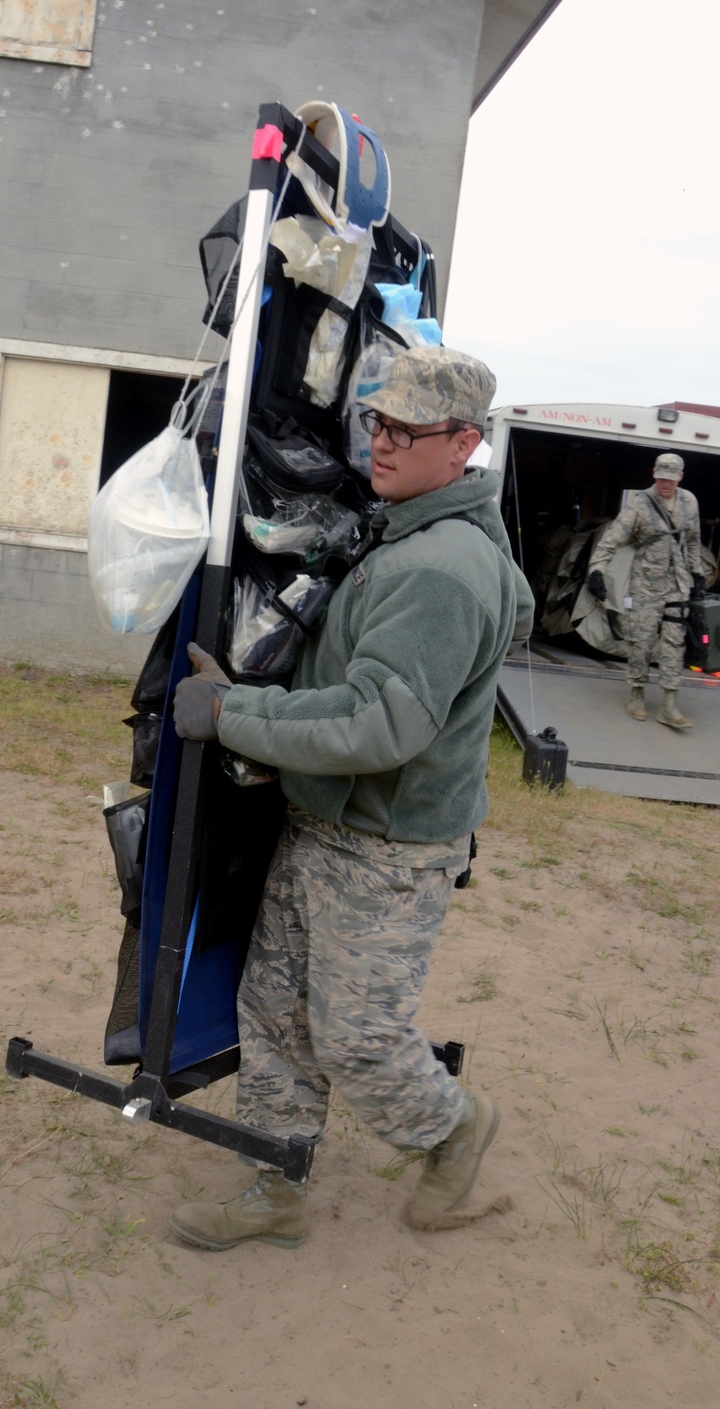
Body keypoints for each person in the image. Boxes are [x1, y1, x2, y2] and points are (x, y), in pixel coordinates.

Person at [170, 343, 533, 1250]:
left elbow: (379, 725)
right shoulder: (407, 528)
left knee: (357, 1035)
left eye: (412, 430)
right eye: (379, 421)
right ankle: (274, 1182)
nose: (385, 442)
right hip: (326, 820)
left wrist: (236, 714)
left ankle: (454, 1132)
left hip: (388, 844)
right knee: (277, 1009)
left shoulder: (441, 567)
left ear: (465, 445)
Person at [587, 452, 704, 730]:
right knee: (641, 642)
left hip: (678, 587)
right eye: (661, 478)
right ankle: (636, 695)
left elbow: (695, 541)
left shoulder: (689, 503)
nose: (666, 484)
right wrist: (596, 571)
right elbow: (610, 540)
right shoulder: (640, 505)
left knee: (675, 643)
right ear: (654, 474)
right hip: (646, 587)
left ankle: (669, 705)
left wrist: (698, 573)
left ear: (680, 478)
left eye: (671, 479)